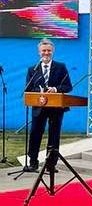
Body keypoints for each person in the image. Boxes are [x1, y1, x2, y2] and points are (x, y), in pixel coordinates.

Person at [24, 39, 73, 172]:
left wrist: (55, 89)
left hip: (56, 107)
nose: (46, 53)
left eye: (49, 50)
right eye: (44, 51)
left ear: (53, 52)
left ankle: (51, 164)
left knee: (54, 134)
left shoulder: (61, 67)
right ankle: (33, 162)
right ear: (39, 52)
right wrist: (38, 91)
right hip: (38, 107)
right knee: (35, 134)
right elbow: (28, 89)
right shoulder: (32, 69)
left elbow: (68, 86)